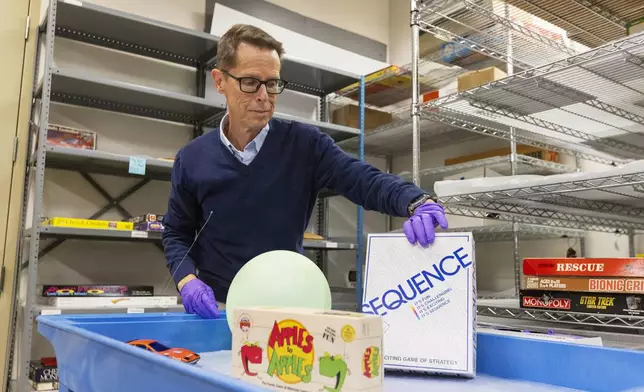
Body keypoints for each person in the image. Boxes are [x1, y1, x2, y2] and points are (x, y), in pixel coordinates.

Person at [162, 24, 449, 319]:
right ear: (220, 81)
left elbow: (362, 178)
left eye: (272, 84)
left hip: (289, 309)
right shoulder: (192, 158)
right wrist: (187, 280)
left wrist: (415, 200)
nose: (264, 96)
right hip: (218, 308)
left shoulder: (305, 145)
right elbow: (176, 232)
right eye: (250, 82)